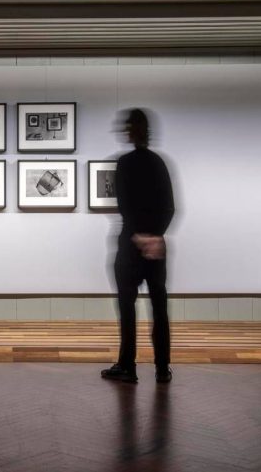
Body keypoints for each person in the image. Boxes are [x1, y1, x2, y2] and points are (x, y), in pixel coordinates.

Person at [102, 108, 175, 384]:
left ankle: (127, 366)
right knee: (159, 307)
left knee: (127, 307)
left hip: (131, 247)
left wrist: (138, 236)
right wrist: (155, 236)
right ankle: (162, 368)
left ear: (131, 131)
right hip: (156, 247)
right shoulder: (158, 163)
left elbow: (125, 206)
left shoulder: (125, 163)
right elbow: (169, 207)